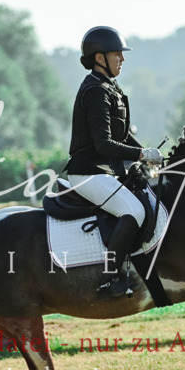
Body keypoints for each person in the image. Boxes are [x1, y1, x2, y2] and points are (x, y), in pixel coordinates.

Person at [66, 26, 164, 298]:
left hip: (107, 171)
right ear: (99, 58)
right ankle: (110, 279)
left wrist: (148, 152)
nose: (122, 59)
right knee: (133, 212)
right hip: (88, 172)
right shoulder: (96, 90)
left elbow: (122, 136)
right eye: (117, 55)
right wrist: (141, 155)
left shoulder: (110, 86)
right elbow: (104, 144)